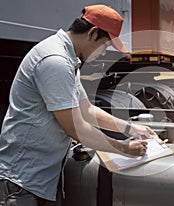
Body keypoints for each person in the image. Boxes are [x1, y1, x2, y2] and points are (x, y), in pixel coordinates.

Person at [0, 4, 156, 206]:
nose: (103, 53)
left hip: (41, 178)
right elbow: (76, 128)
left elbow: (86, 110)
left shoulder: (68, 59)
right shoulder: (55, 61)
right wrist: (125, 149)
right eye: (105, 45)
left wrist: (129, 128)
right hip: (21, 182)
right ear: (92, 33)